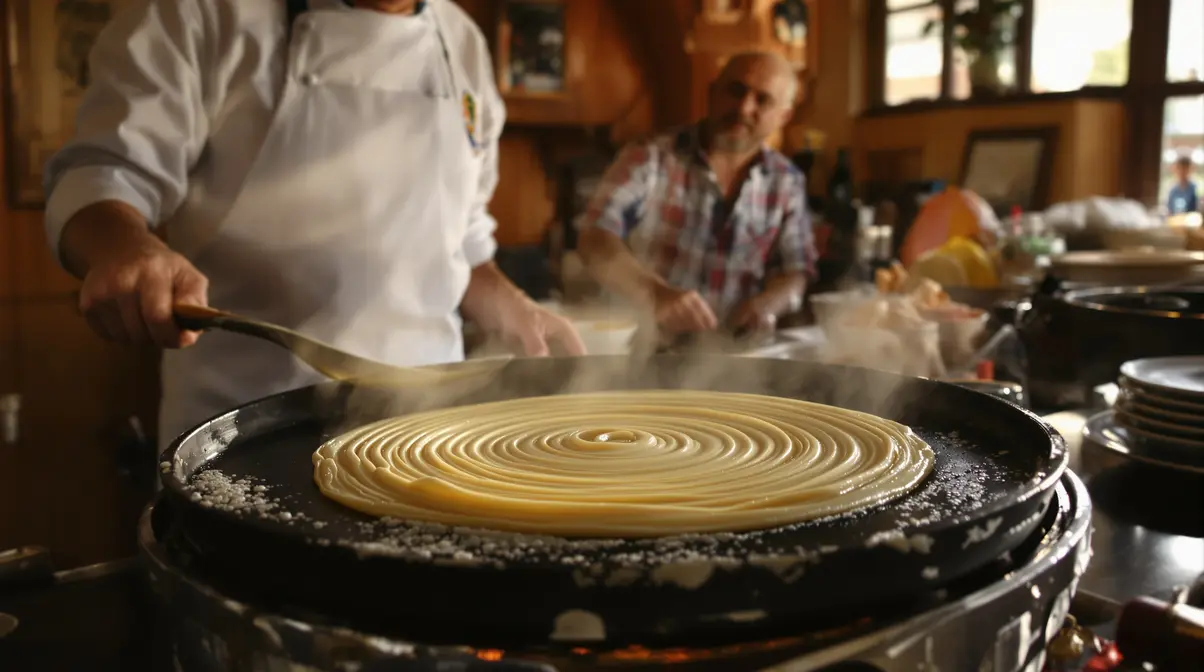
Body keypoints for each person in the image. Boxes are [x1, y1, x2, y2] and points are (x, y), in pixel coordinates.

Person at [43, 0, 584, 453]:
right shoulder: (201, 12)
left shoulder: (460, 40)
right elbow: (102, 174)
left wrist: (516, 306)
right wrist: (125, 245)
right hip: (244, 431)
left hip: (425, 433)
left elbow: (461, 242)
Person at [576, 51, 816, 337]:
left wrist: (769, 305)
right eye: (735, 91)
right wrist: (654, 293)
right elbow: (595, 238)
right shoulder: (650, 156)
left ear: (784, 117)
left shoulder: (787, 181)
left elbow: (797, 272)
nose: (743, 108)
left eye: (762, 100)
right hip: (645, 349)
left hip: (735, 358)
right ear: (712, 93)